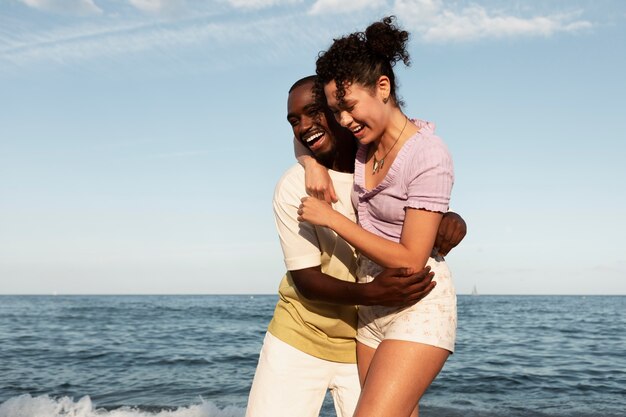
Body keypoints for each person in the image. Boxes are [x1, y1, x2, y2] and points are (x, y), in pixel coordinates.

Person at [245, 75, 466, 417]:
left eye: (316, 112)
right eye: (293, 121)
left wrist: (450, 217)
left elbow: (416, 197)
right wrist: (374, 294)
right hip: (300, 339)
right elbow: (306, 281)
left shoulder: (375, 165)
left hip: (364, 336)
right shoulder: (295, 186)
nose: (303, 127)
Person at [297, 17, 458, 417]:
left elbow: (410, 258)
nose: (345, 121)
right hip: (372, 307)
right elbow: (301, 131)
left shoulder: (427, 154)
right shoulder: (361, 144)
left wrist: (333, 220)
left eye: (349, 106)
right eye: (336, 111)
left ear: (382, 88)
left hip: (417, 299)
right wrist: (310, 165)